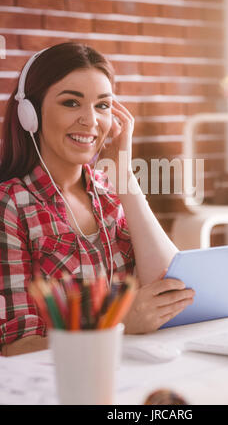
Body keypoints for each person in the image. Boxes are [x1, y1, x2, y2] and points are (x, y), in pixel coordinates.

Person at [0, 42, 195, 356]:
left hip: (128, 373)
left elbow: (172, 290)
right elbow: (14, 348)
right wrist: (116, 325)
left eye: (102, 105)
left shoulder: (111, 192)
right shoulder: (11, 204)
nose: (91, 121)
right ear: (30, 114)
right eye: (71, 103)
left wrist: (126, 179)